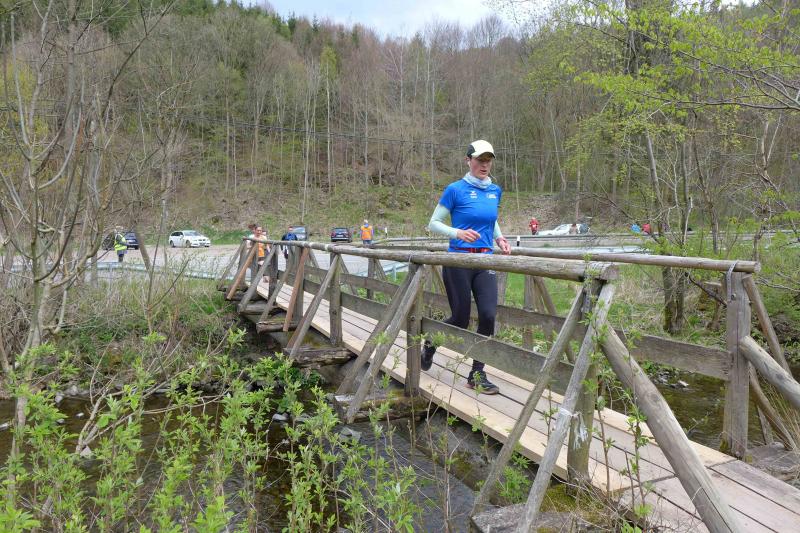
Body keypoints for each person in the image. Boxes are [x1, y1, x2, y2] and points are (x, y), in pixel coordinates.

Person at [423, 139, 511, 395]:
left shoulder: (495, 190)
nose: (485, 165)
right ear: (468, 161)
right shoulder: (455, 190)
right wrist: (457, 233)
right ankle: (431, 344)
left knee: (488, 316)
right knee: (460, 319)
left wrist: (499, 238)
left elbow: (490, 219)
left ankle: (477, 374)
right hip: (459, 260)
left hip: (485, 260)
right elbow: (433, 223)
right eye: (480, 160)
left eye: (488, 160)